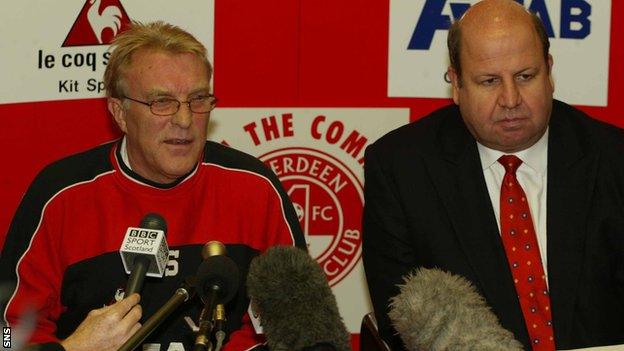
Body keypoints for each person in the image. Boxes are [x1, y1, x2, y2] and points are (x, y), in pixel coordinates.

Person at [0, 21, 305, 351]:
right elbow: (6, 334)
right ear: (120, 112)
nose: (185, 120)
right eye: (162, 102)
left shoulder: (254, 189)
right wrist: (73, 349)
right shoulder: (60, 195)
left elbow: (297, 324)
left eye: (198, 99)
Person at [362, 0, 624, 350]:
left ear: (549, 71)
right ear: (456, 84)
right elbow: (403, 319)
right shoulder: (401, 169)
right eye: (489, 81)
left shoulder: (613, 158)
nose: (511, 99)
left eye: (525, 76)